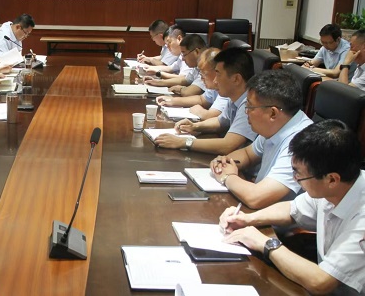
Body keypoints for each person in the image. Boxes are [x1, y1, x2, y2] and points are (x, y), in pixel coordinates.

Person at [220, 119, 365, 295]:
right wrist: (247, 218)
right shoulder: (335, 187)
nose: (295, 179)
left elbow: (321, 282)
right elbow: (292, 209)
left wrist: (265, 243)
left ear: (332, 179)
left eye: (299, 174)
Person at [209, 70, 313, 209]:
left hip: (276, 218)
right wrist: (224, 162)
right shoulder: (279, 123)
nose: (246, 112)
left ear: (272, 113)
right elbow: (247, 154)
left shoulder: (303, 143)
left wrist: (227, 176)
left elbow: (256, 198)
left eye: (250, 107)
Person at [155, 47, 257, 155]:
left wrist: (182, 142)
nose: (215, 81)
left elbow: (227, 145)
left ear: (236, 79)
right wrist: (195, 126)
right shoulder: (235, 98)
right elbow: (220, 122)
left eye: (218, 74)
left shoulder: (250, 104)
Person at [157, 48, 229, 120]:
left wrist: (199, 111)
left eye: (205, 74)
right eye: (201, 74)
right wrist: (173, 101)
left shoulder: (226, 88)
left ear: (217, 72)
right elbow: (201, 99)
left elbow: (210, 116)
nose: (202, 78)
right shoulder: (214, 87)